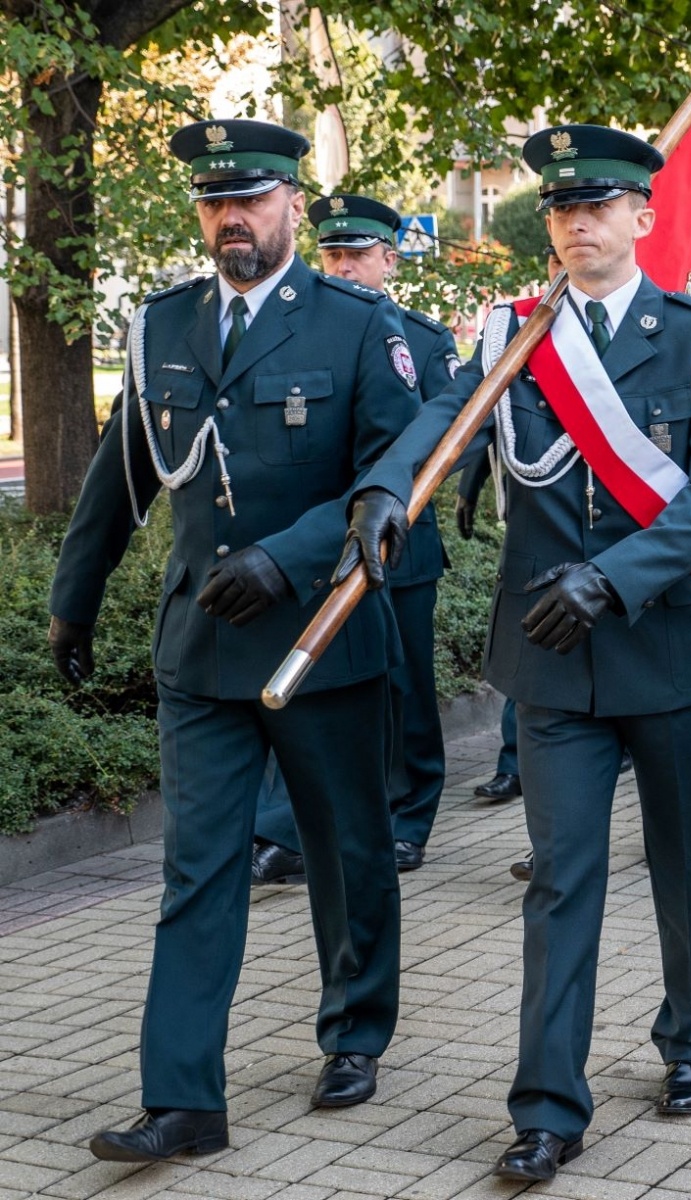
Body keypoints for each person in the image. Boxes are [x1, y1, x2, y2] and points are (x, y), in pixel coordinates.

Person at [339, 124, 691, 1184]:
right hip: (553, 663)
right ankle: (547, 1109)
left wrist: (617, 576)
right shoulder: (515, 334)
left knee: (688, 865)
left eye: (598, 206)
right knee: (562, 881)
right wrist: (388, 485)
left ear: (641, 217)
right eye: (563, 209)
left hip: (663, 646)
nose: (578, 224)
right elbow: (446, 418)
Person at [48, 119, 417, 1161]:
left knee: (346, 856)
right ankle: (184, 1102)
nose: (231, 220)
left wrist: (294, 557)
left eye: (250, 200)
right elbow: (122, 473)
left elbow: (394, 478)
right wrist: (72, 600)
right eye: (214, 203)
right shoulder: (165, 324)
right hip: (201, 648)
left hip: (321, 640)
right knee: (196, 868)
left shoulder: (352, 325)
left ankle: (355, 1030)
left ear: (294, 203)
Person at [249, 193, 457, 884]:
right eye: (332, 252)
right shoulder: (298, 331)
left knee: (403, 688)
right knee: (304, 679)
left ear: (389, 261)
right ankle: (290, 829)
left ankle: (410, 814)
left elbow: (442, 439)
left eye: (358, 253)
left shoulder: (426, 342)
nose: (342, 266)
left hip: (397, 544)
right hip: (319, 545)